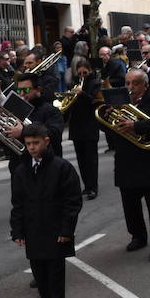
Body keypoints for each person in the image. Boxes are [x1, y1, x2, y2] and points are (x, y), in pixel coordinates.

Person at [9, 124, 83, 298]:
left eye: (35, 143)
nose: (31, 148)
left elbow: (72, 201)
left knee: (55, 281)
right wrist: (17, 230)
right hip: (33, 233)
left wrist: (66, 230)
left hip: (55, 233)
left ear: (46, 142)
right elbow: (18, 204)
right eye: (28, 144)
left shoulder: (61, 167)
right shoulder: (22, 170)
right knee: (40, 281)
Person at [103, 69, 150, 260]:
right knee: (130, 204)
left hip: (149, 160)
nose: (130, 88)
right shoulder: (120, 103)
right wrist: (108, 116)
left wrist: (135, 125)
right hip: (126, 160)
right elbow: (106, 127)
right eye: (127, 83)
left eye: (135, 83)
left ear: (145, 85)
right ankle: (138, 236)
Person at [65, 60, 102, 201]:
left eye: (84, 73)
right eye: (79, 73)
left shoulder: (95, 83)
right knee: (81, 159)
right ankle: (86, 186)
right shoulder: (74, 84)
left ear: (90, 71)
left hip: (90, 124)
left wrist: (82, 94)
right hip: (76, 125)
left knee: (91, 159)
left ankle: (93, 187)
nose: (82, 76)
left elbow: (94, 101)